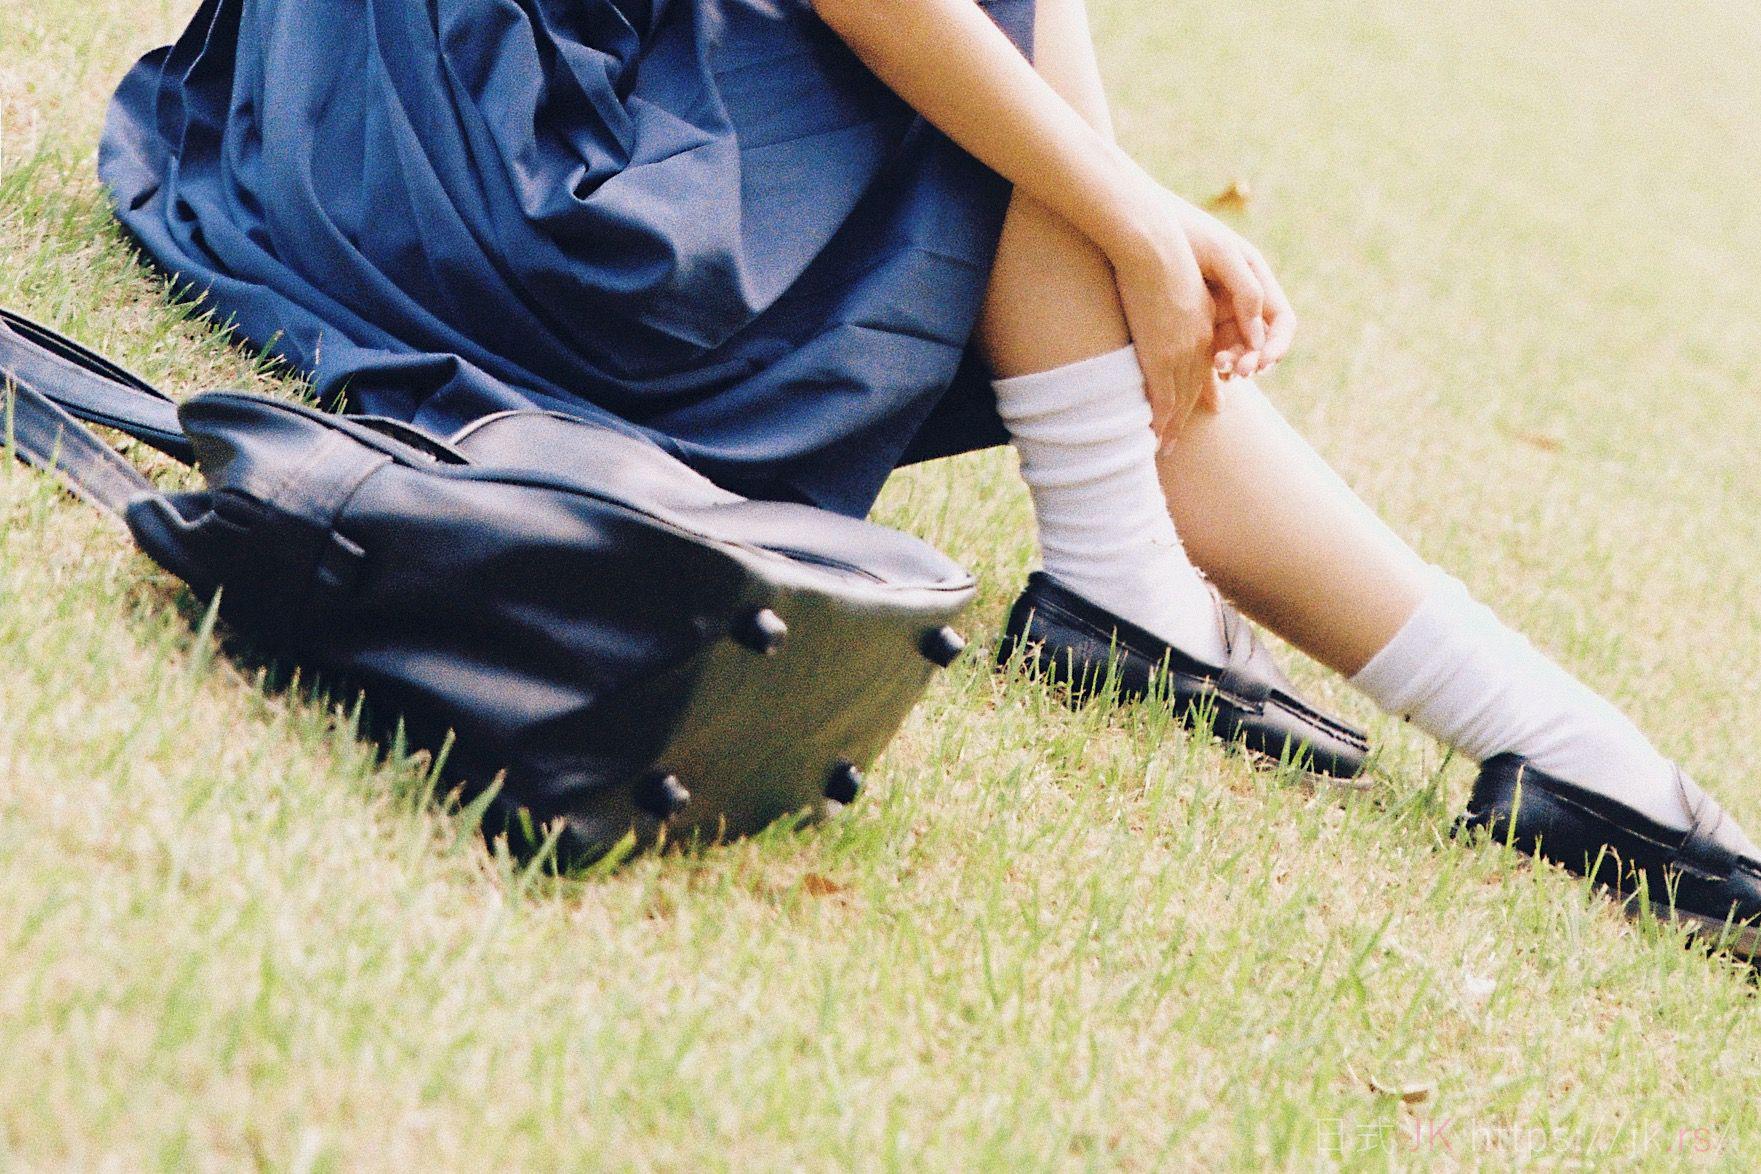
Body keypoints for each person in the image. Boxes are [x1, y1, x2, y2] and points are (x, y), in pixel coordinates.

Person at [100, 0, 1761, 955]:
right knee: (982, 93)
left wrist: (1116, 199)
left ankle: (1197, 602)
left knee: (1011, 107)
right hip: (488, 170)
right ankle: (1506, 725)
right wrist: (1119, 207)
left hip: (376, 122)